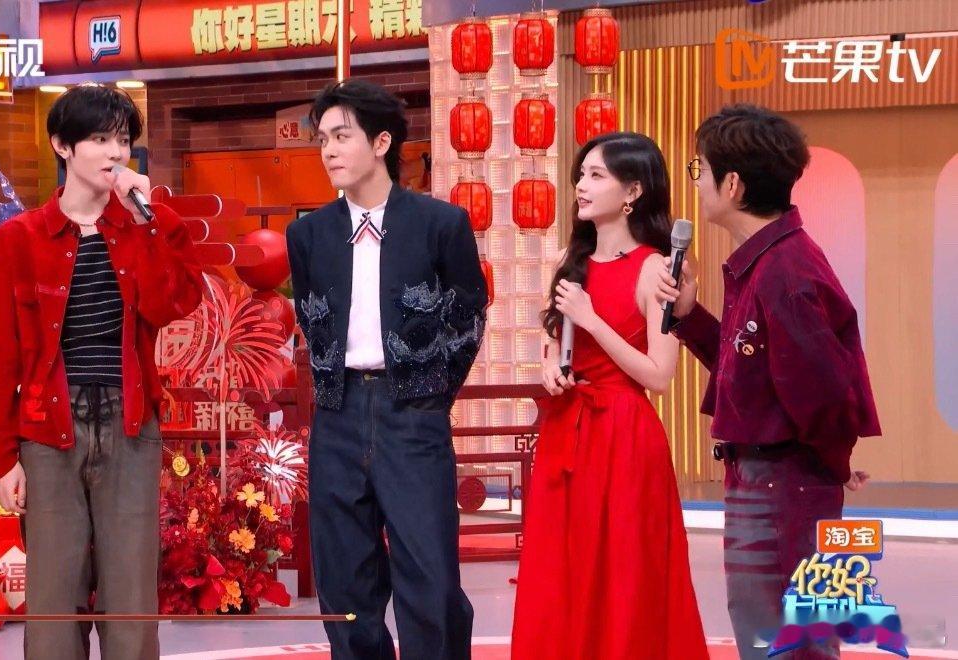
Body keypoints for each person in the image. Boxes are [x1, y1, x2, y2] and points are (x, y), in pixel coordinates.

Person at [0, 84, 204, 659]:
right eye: (100, 139)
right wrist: (1, 459)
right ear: (63, 145)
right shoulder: (14, 241)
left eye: (123, 141)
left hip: (130, 424)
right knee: (55, 597)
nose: (115, 153)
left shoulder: (146, 224)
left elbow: (173, 303)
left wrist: (147, 220)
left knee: (131, 594)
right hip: (47, 430)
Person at [656, 104, 880, 659]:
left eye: (701, 169)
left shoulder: (785, 271)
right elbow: (750, 369)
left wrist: (834, 463)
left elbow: (824, 393)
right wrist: (688, 316)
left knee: (784, 640)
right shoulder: (769, 261)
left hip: (783, 485)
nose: (697, 182)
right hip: (771, 481)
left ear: (732, 184)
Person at [286, 79, 487, 660]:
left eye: (341, 136)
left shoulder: (440, 223)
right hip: (338, 415)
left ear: (381, 142)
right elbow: (312, 321)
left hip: (413, 414)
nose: (328, 150)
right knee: (345, 582)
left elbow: (467, 320)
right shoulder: (307, 234)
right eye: (323, 139)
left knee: (431, 579)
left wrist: (428, 393)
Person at [510, 132, 709, 660]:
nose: (581, 185)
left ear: (633, 192)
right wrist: (550, 369)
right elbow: (555, 345)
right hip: (566, 432)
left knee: (625, 573)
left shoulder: (656, 268)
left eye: (596, 175)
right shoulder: (568, 259)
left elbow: (659, 374)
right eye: (581, 174)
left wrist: (592, 320)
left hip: (624, 436)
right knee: (560, 572)